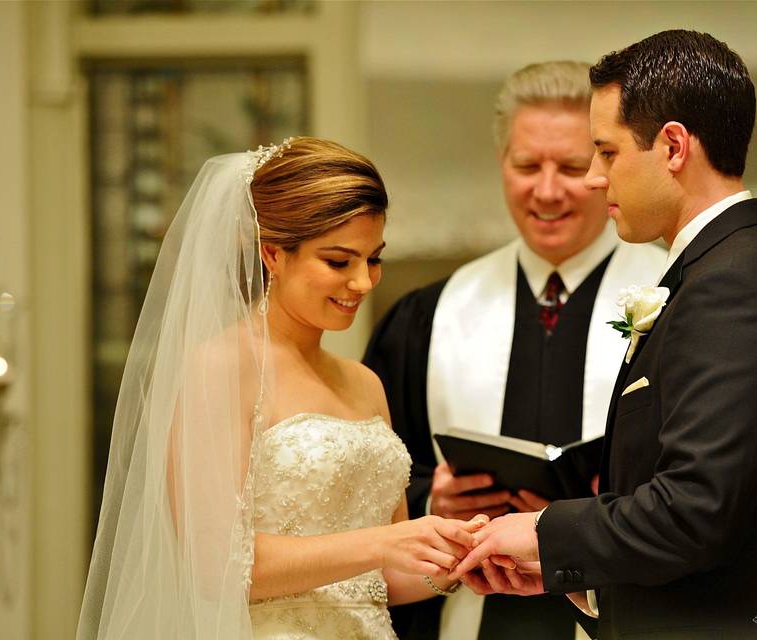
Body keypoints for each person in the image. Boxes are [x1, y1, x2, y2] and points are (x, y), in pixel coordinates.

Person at [453, 30, 757, 639]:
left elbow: (696, 507)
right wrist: (573, 573)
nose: (594, 178)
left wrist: (544, 532)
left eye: (607, 152)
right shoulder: (732, 267)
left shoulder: (735, 286)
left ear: (673, 146)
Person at [77, 137, 487, 640]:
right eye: (339, 261)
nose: (363, 282)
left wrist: (460, 560)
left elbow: (381, 579)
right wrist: (383, 542)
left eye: (373, 259)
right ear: (273, 253)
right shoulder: (220, 367)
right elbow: (213, 567)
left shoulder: (365, 382)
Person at [363, 61, 666, 640]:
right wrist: (433, 499)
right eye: (527, 165)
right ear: (501, 164)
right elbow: (367, 483)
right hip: (465, 616)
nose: (546, 190)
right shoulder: (427, 316)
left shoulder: (673, 299)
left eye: (573, 166)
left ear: (605, 166)